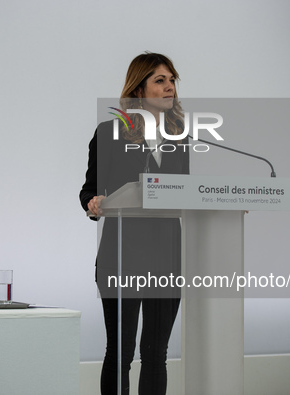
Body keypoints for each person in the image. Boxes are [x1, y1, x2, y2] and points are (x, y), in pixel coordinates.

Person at [79, 53, 189, 395]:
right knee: (121, 354)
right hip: (122, 256)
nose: (169, 86)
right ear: (139, 88)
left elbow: (184, 192)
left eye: (172, 80)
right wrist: (93, 204)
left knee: (157, 355)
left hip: (166, 258)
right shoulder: (110, 132)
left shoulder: (180, 136)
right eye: (160, 80)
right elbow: (90, 190)